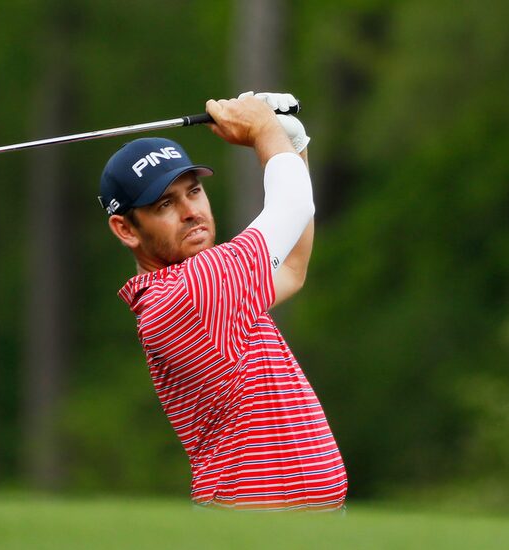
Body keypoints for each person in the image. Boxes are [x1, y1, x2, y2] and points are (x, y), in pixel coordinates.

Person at [98, 92, 347, 511]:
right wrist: (265, 131)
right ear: (125, 229)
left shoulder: (212, 288)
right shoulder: (191, 291)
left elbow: (291, 268)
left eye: (193, 192)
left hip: (301, 520)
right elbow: (293, 204)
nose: (190, 211)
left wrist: (292, 144)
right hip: (250, 518)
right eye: (165, 204)